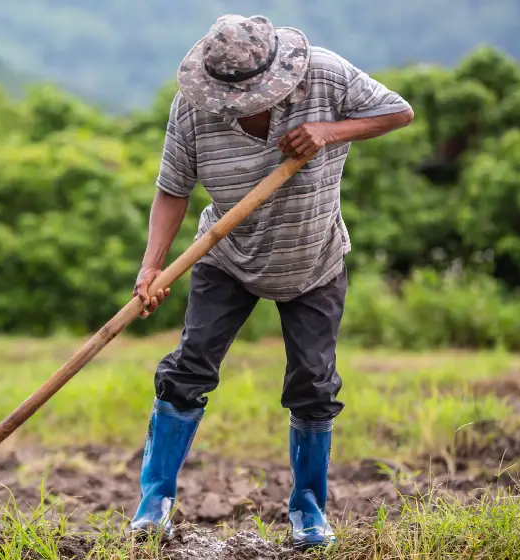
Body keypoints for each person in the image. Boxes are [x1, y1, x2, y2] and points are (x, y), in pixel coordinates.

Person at [129, 14, 414, 550]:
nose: (237, 108)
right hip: (226, 255)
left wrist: (329, 131)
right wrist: (152, 266)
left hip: (314, 259)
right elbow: (173, 188)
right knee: (188, 369)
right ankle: (154, 505)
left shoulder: (326, 76)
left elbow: (398, 112)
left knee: (313, 384)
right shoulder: (193, 107)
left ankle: (308, 512)